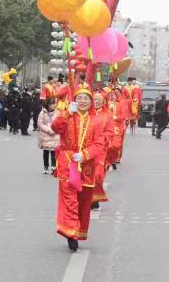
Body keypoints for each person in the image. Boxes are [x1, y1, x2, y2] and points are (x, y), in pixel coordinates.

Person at [51, 88, 106, 251]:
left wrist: (85, 155)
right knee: (70, 199)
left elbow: (99, 144)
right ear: (75, 100)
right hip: (67, 162)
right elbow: (55, 128)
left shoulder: (95, 121)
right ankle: (70, 232)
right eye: (79, 98)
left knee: (83, 201)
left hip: (86, 165)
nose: (83, 101)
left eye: (86, 98)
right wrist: (67, 113)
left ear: (90, 102)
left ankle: (78, 230)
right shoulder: (67, 116)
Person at [91, 92, 115, 210]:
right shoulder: (85, 113)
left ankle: (95, 199)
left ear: (104, 101)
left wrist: (101, 139)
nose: (97, 101)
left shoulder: (108, 115)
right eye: (95, 99)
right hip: (86, 148)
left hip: (100, 149)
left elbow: (111, 132)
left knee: (97, 175)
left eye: (99, 99)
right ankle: (86, 199)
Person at [38, 98, 59, 174]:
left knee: (54, 152)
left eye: (55, 103)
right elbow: (40, 123)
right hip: (45, 134)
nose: (55, 105)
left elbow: (60, 123)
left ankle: (54, 167)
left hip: (55, 135)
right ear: (49, 105)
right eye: (53, 104)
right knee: (46, 152)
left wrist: (54, 130)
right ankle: (45, 166)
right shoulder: (42, 113)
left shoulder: (58, 113)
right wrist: (48, 130)